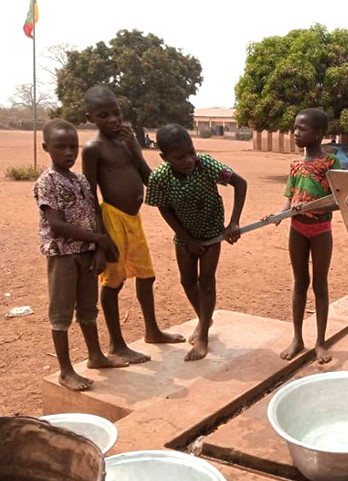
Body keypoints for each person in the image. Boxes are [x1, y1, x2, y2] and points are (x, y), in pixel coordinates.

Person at [82, 86, 185, 365]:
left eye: (116, 113)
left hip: (133, 220)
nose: (113, 120)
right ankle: (117, 344)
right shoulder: (93, 148)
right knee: (113, 283)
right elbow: (90, 193)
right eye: (104, 115)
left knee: (146, 276)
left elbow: (149, 180)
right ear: (90, 117)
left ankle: (152, 331)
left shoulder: (126, 143)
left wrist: (135, 151)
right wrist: (100, 238)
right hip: (111, 219)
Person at [34, 119, 125, 391]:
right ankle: (65, 370)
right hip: (63, 255)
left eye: (72, 146)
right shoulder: (47, 182)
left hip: (86, 254)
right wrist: (99, 239)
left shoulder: (82, 180)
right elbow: (57, 225)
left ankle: (96, 356)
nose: (69, 153)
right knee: (61, 313)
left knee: (88, 308)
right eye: (60, 147)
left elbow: (95, 212)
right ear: (46, 147)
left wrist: (97, 249)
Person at [145, 124, 247, 361]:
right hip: (184, 236)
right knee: (187, 281)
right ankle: (205, 318)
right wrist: (188, 240)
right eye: (180, 157)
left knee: (206, 282)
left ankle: (203, 336)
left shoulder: (205, 164)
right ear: (165, 157)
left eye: (191, 152)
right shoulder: (160, 177)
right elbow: (165, 209)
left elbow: (240, 184)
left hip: (212, 234)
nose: (189, 159)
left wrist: (233, 223)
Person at [275, 108, 340, 364]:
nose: (296, 133)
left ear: (319, 134)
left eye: (302, 129)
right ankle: (297, 339)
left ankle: (320, 342)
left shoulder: (331, 163)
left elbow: (339, 200)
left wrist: (315, 207)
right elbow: (290, 198)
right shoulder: (295, 165)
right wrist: (281, 215)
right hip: (297, 230)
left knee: (320, 285)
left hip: (321, 231)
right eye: (295, 128)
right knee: (299, 282)